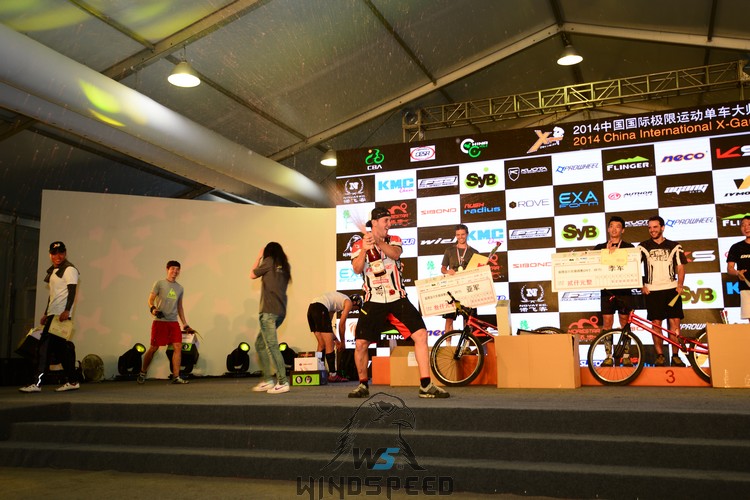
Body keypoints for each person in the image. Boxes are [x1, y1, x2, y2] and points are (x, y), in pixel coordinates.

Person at [349, 207, 449, 399]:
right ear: (375, 222)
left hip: (397, 297)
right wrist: (365, 250)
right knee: (361, 343)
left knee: (421, 334)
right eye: (386, 220)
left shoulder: (394, 239)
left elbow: (395, 254)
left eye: (390, 220)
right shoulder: (359, 244)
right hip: (373, 299)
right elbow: (356, 268)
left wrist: (377, 241)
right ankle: (362, 385)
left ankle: (426, 385)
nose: (389, 224)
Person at [20, 241, 81, 393]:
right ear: (50, 255)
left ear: (65, 253)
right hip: (53, 315)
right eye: (54, 253)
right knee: (60, 351)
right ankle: (73, 381)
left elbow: (72, 291)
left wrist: (67, 311)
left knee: (44, 349)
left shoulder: (69, 269)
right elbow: (53, 295)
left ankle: (37, 383)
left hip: (60, 316)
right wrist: (46, 313)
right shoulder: (54, 271)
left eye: (61, 253)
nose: (57, 256)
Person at [639, 216, 686, 367]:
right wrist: (641, 285)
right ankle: (660, 356)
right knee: (656, 324)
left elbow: (680, 267)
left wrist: (680, 284)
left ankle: (675, 356)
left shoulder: (674, 246)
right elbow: (634, 266)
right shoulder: (642, 246)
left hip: (671, 289)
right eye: (649, 227)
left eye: (655, 227)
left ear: (662, 228)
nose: (652, 230)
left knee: (675, 323)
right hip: (652, 290)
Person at [138, 260, 193, 385]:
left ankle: (176, 376)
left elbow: (180, 307)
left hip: (173, 322)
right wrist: (153, 309)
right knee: (154, 348)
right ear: (167, 269)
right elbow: (150, 300)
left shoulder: (180, 288)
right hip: (160, 321)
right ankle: (142, 372)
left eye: (177, 269)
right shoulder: (159, 283)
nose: (175, 271)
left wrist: (185, 324)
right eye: (172, 268)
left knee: (178, 347)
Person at [593, 216, 636, 367]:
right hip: (607, 290)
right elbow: (593, 267)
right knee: (607, 323)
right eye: (611, 226)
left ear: (622, 230)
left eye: (618, 226)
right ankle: (608, 356)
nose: (614, 229)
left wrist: (617, 255)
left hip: (624, 290)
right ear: (608, 229)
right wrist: (606, 253)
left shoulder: (630, 248)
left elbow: (634, 267)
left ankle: (626, 356)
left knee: (625, 323)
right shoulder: (599, 248)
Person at [250, 242, 292, 394]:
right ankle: (268, 380)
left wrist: (259, 257)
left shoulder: (268, 261)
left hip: (268, 311)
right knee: (260, 344)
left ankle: (283, 381)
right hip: (280, 312)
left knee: (272, 346)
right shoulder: (285, 266)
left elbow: (252, 274)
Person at [307, 291, 360, 382]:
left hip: (311, 309)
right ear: (354, 303)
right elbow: (341, 324)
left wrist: (336, 340)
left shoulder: (334, 306)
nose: (352, 311)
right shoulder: (348, 302)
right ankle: (333, 375)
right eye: (355, 309)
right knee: (329, 344)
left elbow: (328, 328)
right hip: (320, 308)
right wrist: (343, 342)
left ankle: (319, 371)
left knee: (322, 344)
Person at [440, 224, 479, 332]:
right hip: (453, 288)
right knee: (449, 319)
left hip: (468, 289)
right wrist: (447, 271)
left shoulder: (474, 252)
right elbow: (443, 268)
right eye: (458, 235)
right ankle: (448, 342)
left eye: (462, 234)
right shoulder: (449, 250)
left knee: (468, 320)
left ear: (467, 234)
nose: (460, 237)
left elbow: (478, 270)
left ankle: (467, 342)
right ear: (455, 235)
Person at [727, 215, 750, 322]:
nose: (746, 228)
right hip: (746, 289)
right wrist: (737, 273)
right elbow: (730, 268)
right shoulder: (736, 247)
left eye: (749, 224)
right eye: (743, 225)